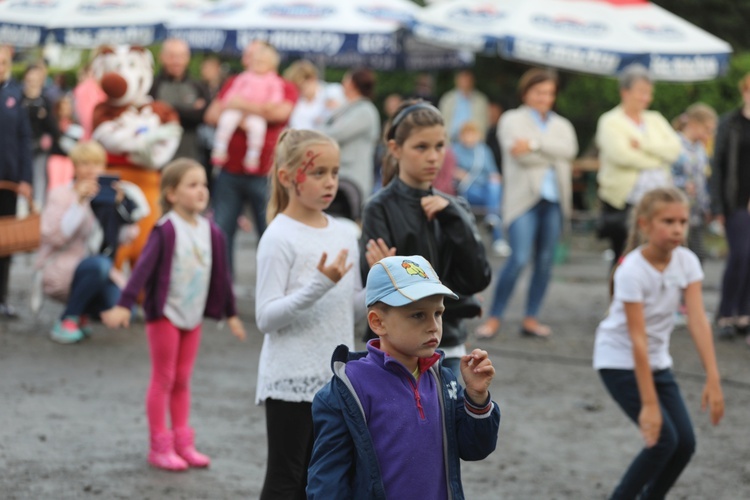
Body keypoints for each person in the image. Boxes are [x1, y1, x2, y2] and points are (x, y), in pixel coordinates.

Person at [307, 254, 500, 499]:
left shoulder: (444, 381)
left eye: (438, 313)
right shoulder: (348, 389)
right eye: (418, 315)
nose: (433, 326)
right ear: (378, 323)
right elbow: (327, 481)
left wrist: (477, 397)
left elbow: (475, 448)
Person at [102, 158, 246, 471]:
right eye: (192, 185)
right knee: (164, 378)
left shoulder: (213, 232)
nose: (201, 191)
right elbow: (142, 270)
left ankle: (184, 443)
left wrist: (231, 313)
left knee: (182, 379)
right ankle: (159, 445)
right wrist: (124, 305)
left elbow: (222, 276)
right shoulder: (165, 229)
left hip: (191, 315)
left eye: (204, 185)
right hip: (164, 314)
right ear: (171, 194)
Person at [593, 187, 724, 499]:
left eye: (683, 221)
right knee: (663, 440)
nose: (678, 228)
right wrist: (650, 406)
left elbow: (697, 320)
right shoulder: (632, 270)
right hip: (619, 362)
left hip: (657, 361)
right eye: (668, 221)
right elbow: (637, 338)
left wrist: (714, 378)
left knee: (685, 444)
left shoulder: (687, 261)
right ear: (644, 225)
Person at [254, 129, 364, 498]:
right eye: (318, 173)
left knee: (323, 481)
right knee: (287, 480)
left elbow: (350, 307)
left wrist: (385, 286)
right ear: (287, 177)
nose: (330, 182)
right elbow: (266, 318)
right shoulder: (278, 237)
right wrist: (318, 285)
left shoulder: (346, 233)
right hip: (290, 380)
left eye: (334, 172)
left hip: (335, 379)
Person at [360, 100, 492, 374]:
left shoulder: (456, 208)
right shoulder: (379, 208)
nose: (433, 157)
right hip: (394, 351)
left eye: (439, 146)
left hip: (450, 344)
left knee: (446, 417)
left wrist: (454, 218)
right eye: (421, 147)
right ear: (395, 149)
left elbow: (477, 278)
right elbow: (376, 288)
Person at [475, 68, 578, 340]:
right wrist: (550, 153)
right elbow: (518, 155)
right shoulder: (512, 119)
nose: (545, 97)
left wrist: (533, 144)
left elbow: (569, 151)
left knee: (545, 262)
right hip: (523, 199)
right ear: (526, 92)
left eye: (549, 93)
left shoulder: (562, 125)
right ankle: (494, 317)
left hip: (554, 200)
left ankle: (531, 317)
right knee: (519, 258)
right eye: (539, 92)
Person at [204, 40, 298, 271]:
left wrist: (241, 106)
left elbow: (279, 112)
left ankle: (273, 289)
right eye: (250, 56)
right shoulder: (236, 81)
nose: (252, 61)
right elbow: (213, 115)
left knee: (270, 234)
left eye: (257, 56)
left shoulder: (284, 86)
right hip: (230, 170)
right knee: (221, 232)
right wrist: (256, 110)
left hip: (265, 173)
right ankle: (222, 294)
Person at [38, 141, 142, 344]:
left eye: (96, 164)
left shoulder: (106, 197)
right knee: (99, 265)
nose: (91, 169)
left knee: (123, 307)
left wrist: (121, 207)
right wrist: (79, 202)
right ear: (75, 166)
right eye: (84, 163)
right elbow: (55, 236)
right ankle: (67, 319)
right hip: (61, 267)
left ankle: (82, 311)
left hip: (96, 269)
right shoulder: (62, 194)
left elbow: (124, 238)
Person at [595, 64, 682, 267]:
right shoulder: (610, 121)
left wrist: (642, 145)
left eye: (649, 93)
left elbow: (675, 150)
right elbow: (622, 156)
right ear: (625, 92)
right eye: (641, 92)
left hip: (659, 201)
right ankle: (620, 296)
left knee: (657, 253)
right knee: (625, 255)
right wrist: (657, 160)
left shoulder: (655, 119)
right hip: (624, 202)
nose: (646, 98)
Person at [711, 72, 750, 341]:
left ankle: (744, 313)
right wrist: (717, 205)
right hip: (734, 199)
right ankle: (726, 311)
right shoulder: (730, 123)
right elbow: (717, 165)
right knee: (739, 255)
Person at [210, 42, 284, 172]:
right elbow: (222, 105)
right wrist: (234, 105)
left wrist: (243, 105)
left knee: (258, 128)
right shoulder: (243, 77)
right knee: (226, 120)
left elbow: (276, 109)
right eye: (256, 61)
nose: (258, 65)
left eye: (262, 62)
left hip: (263, 170)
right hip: (231, 168)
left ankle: (253, 157)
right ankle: (219, 149)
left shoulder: (274, 80)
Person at [0, 45, 33, 318]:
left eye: (3, 62)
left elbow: (25, 139)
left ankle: (2, 298)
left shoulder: (14, 95)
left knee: (5, 243)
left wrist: (26, 178)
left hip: (8, 183)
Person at [321, 67, 380, 213]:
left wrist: (310, 133)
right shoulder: (349, 108)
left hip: (352, 179)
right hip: (342, 176)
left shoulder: (364, 110)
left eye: (345, 80)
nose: (342, 84)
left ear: (352, 84)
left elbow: (336, 133)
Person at [150, 38, 211, 167]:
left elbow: (203, 116)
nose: (176, 61)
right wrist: (189, 110)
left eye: (181, 56)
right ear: (161, 57)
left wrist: (168, 109)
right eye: (171, 56)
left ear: (188, 58)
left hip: (192, 155)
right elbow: (152, 114)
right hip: (159, 157)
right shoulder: (153, 85)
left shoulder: (197, 86)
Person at [452, 121, 510, 257]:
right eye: (467, 134)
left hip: (486, 190)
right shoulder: (454, 150)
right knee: (493, 201)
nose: (469, 138)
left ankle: (493, 222)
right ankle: (496, 229)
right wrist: (457, 172)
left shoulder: (483, 150)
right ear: (461, 136)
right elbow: (448, 170)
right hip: (467, 190)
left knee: (494, 186)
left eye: (472, 134)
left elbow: (493, 171)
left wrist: (495, 177)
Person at [671, 103, 717, 262]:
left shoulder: (700, 148)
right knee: (680, 255)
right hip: (677, 209)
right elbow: (665, 174)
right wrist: (682, 184)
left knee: (697, 256)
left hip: (696, 212)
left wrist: (707, 206)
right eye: (707, 129)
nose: (709, 134)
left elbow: (702, 179)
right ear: (694, 124)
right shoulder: (674, 144)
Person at [22, 63, 60, 207]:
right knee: (23, 179)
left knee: (39, 179)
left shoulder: (45, 100)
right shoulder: (17, 98)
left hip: (39, 148)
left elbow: (53, 128)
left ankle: (37, 209)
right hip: (22, 148)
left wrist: (45, 119)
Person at [283, 59, 344, 130]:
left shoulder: (333, 91)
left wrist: (336, 110)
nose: (301, 91)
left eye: (302, 87)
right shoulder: (297, 100)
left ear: (313, 79)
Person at [438, 69, 489, 142]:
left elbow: (484, 125)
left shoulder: (481, 100)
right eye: (462, 79)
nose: (465, 82)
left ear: (473, 81)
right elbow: (441, 123)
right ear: (456, 80)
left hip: (473, 142)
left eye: (468, 79)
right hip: (451, 142)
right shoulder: (447, 99)